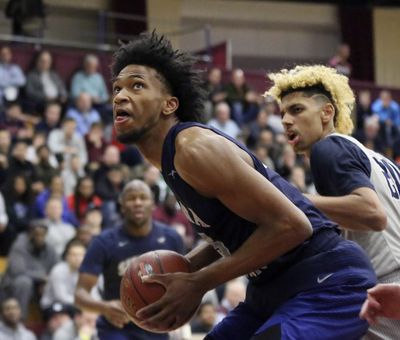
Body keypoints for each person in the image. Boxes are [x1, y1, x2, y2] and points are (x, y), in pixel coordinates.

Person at [111, 31, 377, 339]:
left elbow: (293, 226)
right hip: (269, 290)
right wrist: (187, 266)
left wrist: (198, 282)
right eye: (117, 88)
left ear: (169, 105)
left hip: (328, 279)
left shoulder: (192, 149)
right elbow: (238, 230)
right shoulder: (171, 160)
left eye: (137, 85)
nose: (120, 96)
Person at [267, 64, 400, 339]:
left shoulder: (328, 149)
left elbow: (373, 214)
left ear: (327, 112)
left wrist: (295, 199)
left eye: (297, 110)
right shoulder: (377, 159)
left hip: (388, 283)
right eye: (282, 114)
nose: (285, 121)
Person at [75, 179, 185, 340]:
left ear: (153, 204)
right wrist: (104, 307)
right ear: (122, 204)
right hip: (117, 326)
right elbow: (80, 294)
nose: (137, 202)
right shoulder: (104, 242)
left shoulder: (171, 238)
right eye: (131, 198)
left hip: (157, 325)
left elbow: (185, 283)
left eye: (143, 197)